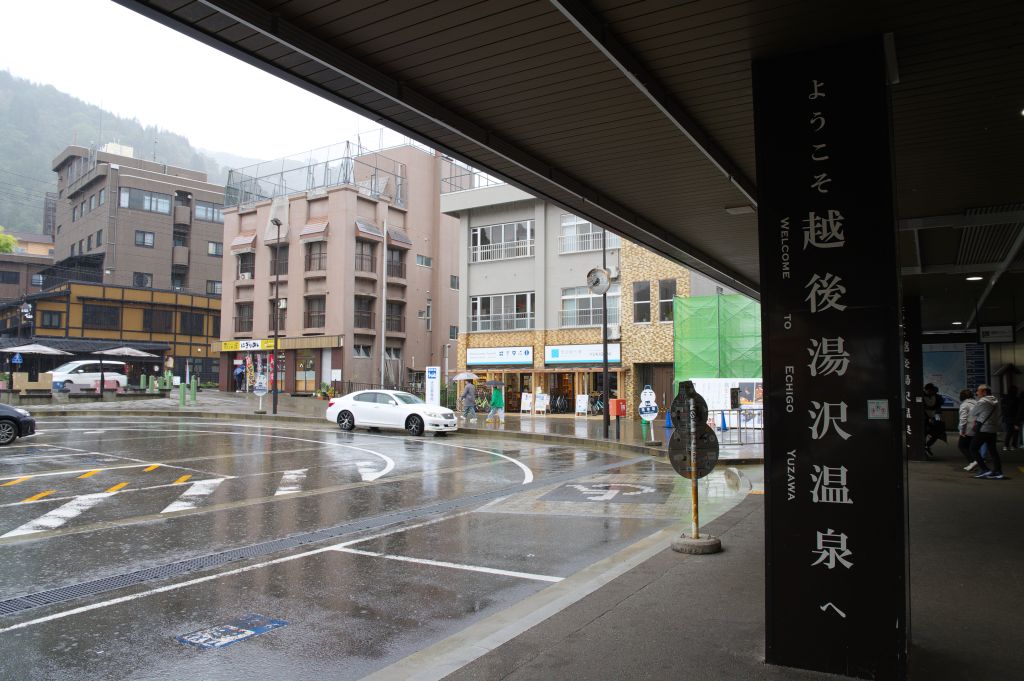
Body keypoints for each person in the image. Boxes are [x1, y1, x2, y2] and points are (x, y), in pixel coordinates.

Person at [967, 384, 1004, 479]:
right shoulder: (995, 400)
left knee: (973, 448)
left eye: (978, 391)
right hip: (993, 429)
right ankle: (998, 471)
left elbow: (972, 413)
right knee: (993, 451)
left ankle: (984, 469)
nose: (977, 393)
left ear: (984, 391)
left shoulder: (983, 401)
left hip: (983, 429)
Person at [921, 383, 945, 458]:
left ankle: (927, 445)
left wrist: (936, 417)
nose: (930, 392)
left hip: (934, 416)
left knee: (938, 432)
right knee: (923, 433)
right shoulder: (921, 396)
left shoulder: (937, 397)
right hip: (924, 417)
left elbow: (938, 407)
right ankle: (924, 448)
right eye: (928, 391)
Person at [957, 389, 979, 471]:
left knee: (961, 446)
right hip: (976, 427)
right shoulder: (976, 403)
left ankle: (973, 461)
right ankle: (974, 462)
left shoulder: (964, 405)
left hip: (967, 428)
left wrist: (961, 430)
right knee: (971, 446)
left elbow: (963, 419)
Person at [1001, 385, 1019, 451]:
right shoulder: (1017, 399)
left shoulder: (1004, 398)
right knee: (1015, 432)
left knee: (1009, 432)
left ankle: (1006, 445)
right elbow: (1018, 409)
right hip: (1015, 417)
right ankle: (1013, 445)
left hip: (1007, 417)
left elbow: (1002, 408)